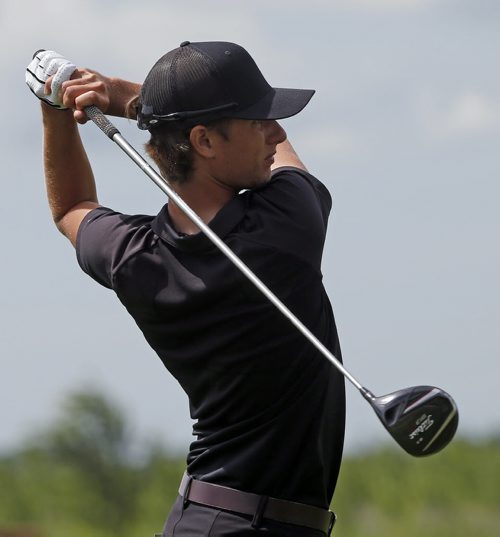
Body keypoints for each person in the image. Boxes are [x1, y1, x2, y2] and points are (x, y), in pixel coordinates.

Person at [26, 41, 346, 537]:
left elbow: (71, 206)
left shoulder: (134, 259)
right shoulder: (288, 224)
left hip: (199, 520)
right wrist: (126, 98)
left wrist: (55, 110)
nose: (277, 131)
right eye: (258, 119)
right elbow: (286, 159)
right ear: (204, 140)